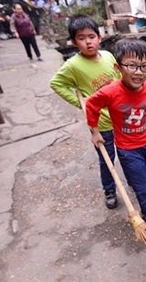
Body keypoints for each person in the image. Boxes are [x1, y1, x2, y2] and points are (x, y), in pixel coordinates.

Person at [85, 38, 146, 231]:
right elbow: (91, 105)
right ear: (118, 68)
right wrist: (95, 131)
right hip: (128, 149)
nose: (138, 72)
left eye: (143, 66)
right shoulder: (110, 92)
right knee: (143, 185)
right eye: (132, 66)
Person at [50, 14, 122, 209]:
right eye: (81, 38)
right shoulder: (73, 65)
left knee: (127, 154)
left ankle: (133, 182)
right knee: (106, 158)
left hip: (120, 116)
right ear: (73, 42)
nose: (88, 42)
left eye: (91, 36)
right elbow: (56, 84)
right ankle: (109, 190)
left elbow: (120, 77)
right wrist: (81, 103)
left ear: (99, 37)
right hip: (101, 122)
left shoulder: (108, 56)